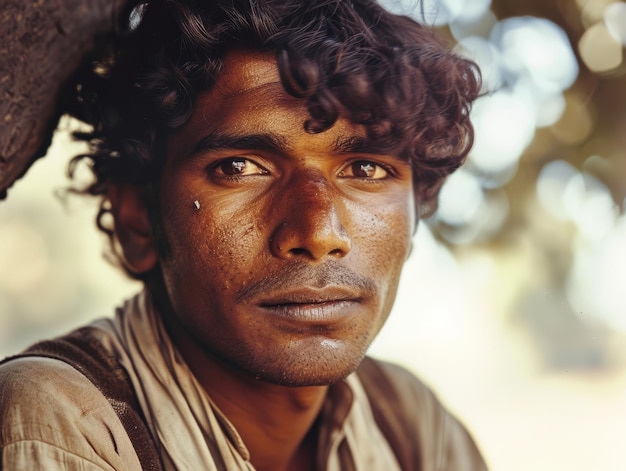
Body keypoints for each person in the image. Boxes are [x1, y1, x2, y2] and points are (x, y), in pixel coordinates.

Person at [0, 0, 485, 469]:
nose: (317, 233)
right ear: (137, 220)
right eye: (240, 167)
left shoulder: (410, 423)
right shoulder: (59, 420)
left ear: (416, 211)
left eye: (365, 168)